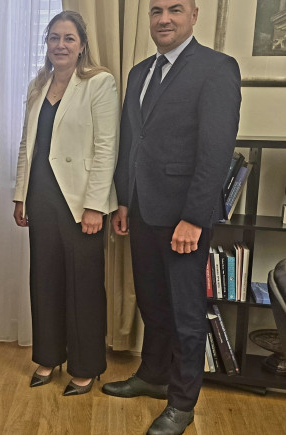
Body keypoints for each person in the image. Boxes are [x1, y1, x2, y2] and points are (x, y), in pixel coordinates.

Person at [104, 1, 241, 433]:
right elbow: (132, 141)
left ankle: (182, 403)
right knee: (152, 303)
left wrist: (195, 218)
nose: (164, 19)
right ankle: (152, 376)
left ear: (194, 15)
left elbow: (216, 151)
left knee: (185, 313)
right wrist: (124, 200)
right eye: (156, 10)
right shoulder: (139, 72)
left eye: (175, 9)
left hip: (183, 218)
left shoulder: (216, 68)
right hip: (142, 210)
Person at [13, 11, 119, 396]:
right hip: (40, 198)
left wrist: (96, 205)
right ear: (46, 44)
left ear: (81, 45)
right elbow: (27, 145)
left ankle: (86, 366)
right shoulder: (37, 85)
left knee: (83, 287)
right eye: (54, 38)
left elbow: (107, 147)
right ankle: (48, 356)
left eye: (69, 38)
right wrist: (20, 195)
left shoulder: (99, 83)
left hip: (80, 203)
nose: (60, 45)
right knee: (44, 281)